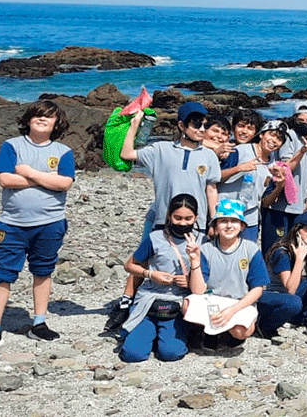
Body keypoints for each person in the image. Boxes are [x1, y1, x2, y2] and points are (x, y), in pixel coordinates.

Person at [0, 100, 75, 349]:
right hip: (11, 224)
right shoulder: (11, 146)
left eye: (49, 116)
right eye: (37, 115)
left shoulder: (63, 151)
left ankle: (39, 323)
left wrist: (28, 172)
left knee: (43, 271)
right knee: (1, 275)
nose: (42, 119)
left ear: (57, 124)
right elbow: (5, 179)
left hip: (51, 223)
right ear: (28, 119)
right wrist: (45, 179)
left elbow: (65, 183)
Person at [105, 101, 221, 332]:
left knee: (192, 265)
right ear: (181, 125)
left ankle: (185, 312)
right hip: (161, 219)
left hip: (194, 224)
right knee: (144, 258)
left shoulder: (209, 156)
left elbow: (211, 189)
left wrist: (213, 221)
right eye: (196, 123)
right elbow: (126, 154)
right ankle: (127, 302)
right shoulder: (161, 150)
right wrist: (135, 125)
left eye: (204, 124)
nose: (201, 128)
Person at [118, 194, 205, 362]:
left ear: (196, 218)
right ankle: (148, 333)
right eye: (177, 218)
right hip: (150, 300)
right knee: (132, 355)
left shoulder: (202, 241)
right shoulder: (155, 238)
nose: (182, 223)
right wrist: (151, 274)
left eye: (188, 218)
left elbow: (203, 286)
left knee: (171, 354)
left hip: (179, 303)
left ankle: (165, 335)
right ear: (169, 216)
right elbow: (129, 265)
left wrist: (189, 281)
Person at [195, 199, 267, 346]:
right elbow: (198, 290)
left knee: (241, 332)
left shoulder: (251, 249)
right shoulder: (206, 249)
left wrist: (232, 310)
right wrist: (194, 261)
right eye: (223, 221)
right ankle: (206, 333)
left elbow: (258, 288)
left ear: (242, 226)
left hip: (239, 302)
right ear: (215, 226)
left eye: (234, 221)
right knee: (187, 305)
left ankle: (227, 336)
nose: (228, 225)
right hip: (212, 300)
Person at [262, 102, 307, 254]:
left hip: (297, 206)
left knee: (291, 249)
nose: (305, 123)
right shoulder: (291, 136)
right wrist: (301, 151)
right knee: (276, 249)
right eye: (300, 120)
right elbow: (285, 168)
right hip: (282, 205)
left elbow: (304, 175)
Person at [261, 212, 307, 330]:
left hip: (288, 293)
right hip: (273, 295)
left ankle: (297, 317)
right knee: (294, 301)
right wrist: (299, 259)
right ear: (297, 230)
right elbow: (290, 289)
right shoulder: (282, 252)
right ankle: (266, 325)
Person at [219, 119, 287, 243]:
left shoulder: (273, 165)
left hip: (250, 218)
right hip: (226, 213)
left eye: (279, 139)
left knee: (246, 258)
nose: (274, 141)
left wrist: (280, 186)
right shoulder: (240, 151)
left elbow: (265, 203)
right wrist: (239, 168)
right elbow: (216, 178)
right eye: (271, 135)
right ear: (261, 134)